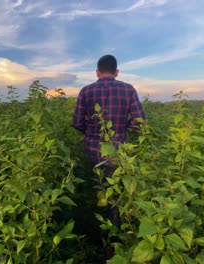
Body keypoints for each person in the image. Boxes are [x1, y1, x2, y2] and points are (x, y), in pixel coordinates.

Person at [72, 54, 146, 260]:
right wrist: (122, 130)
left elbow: (77, 122)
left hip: (93, 151)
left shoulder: (86, 91)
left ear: (97, 72)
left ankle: (102, 237)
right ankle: (114, 244)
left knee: (99, 190)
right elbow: (140, 122)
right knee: (116, 197)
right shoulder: (128, 89)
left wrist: (92, 134)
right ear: (116, 72)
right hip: (117, 152)